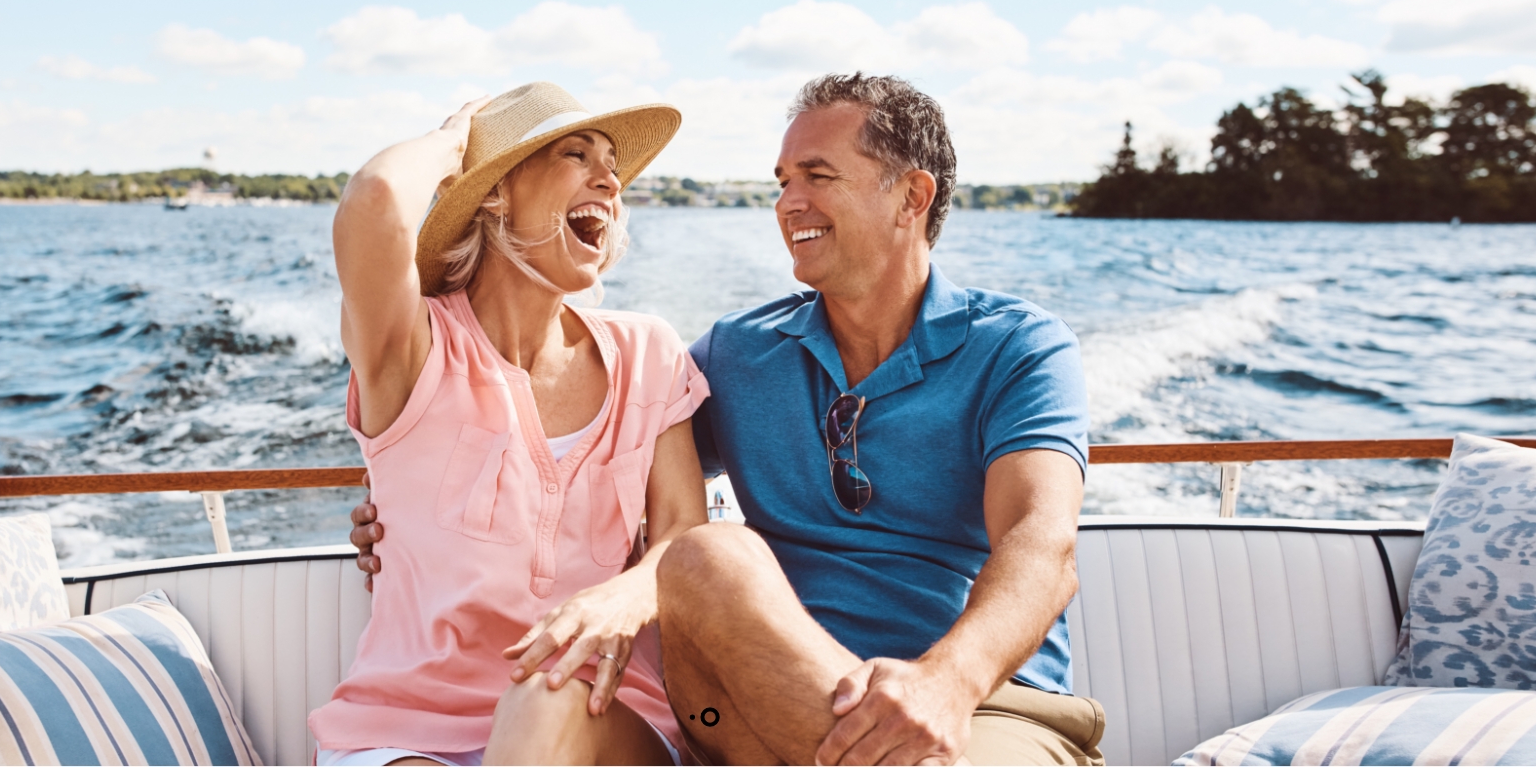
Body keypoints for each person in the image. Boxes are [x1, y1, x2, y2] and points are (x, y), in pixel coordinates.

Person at [351, 73, 1101, 766]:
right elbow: (597, 475)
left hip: (981, 707)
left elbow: (1042, 545)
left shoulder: (1018, 347)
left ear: (911, 196)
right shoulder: (736, 355)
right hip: (760, 702)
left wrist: (946, 681)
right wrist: (409, 506)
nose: (787, 203)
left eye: (818, 176)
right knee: (711, 556)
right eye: (782, 182)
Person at [312, 82, 710, 767]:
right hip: (408, 730)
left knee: (546, 694)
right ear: (495, 193)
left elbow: (684, 535)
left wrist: (628, 592)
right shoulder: (414, 352)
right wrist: (454, 142)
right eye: (575, 153)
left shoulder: (651, 352)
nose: (609, 178)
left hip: (599, 719)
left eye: (612, 163)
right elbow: (375, 201)